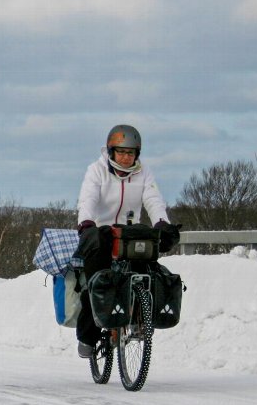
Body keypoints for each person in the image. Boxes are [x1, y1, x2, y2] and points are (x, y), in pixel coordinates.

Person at [74, 124, 179, 358]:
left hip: (130, 236)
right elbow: (87, 199)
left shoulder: (144, 173)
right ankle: (88, 337)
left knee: (148, 272)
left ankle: (139, 317)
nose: (125, 157)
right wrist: (86, 223)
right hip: (100, 235)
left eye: (130, 153)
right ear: (111, 152)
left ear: (137, 155)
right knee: (97, 283)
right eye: (121, 152)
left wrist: (162, 222)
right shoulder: (96, 171)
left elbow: (153, 199)